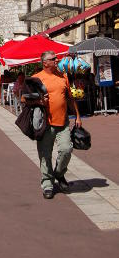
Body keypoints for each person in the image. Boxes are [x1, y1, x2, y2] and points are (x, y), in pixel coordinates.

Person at [34, 51, 82, 200]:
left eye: (56, 58)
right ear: (45, 63)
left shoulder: (63, 76)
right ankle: (47, 184)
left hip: (63, 122)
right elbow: (24, 98)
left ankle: (59, 174)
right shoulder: (37, 78)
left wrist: (78, 116)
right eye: (53, 59)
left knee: (67, 149)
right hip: (45, 124)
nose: (57, 60)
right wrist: (39, 102)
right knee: (45, 156)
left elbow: (69, 98)